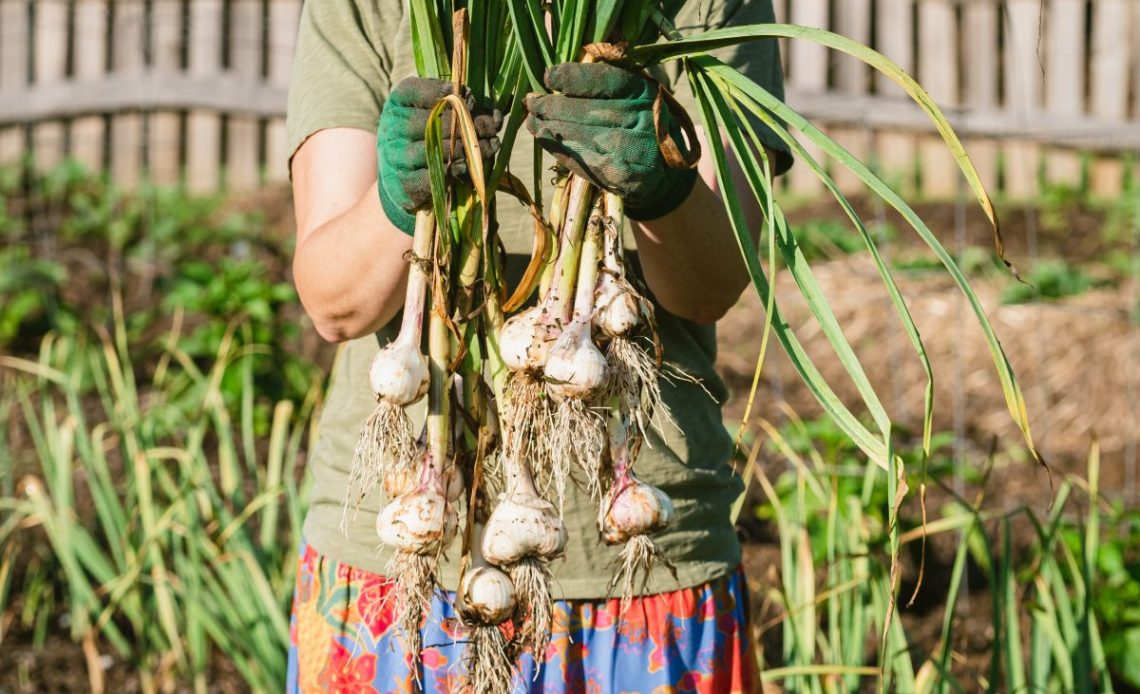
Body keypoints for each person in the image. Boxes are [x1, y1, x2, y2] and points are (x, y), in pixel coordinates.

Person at [285, 1, 792, 691]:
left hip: (644, 563)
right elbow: (334, 302)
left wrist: (662, 186)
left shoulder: (703, 5)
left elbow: (712, 287)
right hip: (405, 549)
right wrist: (400, 199)